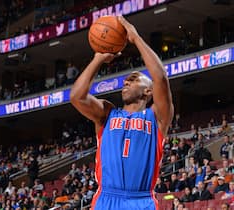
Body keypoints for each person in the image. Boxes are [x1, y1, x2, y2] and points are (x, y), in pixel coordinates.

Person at [70, 16, 173, 210]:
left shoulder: (157, 116)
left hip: (141, 200)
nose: (126, 82)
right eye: (125, 81)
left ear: (148, 91)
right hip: (106, 198)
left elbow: (160, 77)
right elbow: (77, 97)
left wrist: (135, 38)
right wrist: (98, 58)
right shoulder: (107, 113)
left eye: (133, 79)